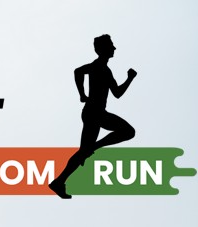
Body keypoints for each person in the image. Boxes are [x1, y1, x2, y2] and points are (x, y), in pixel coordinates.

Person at [51, 34, 138, 199]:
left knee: (83, 152)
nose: (114, 48)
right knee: (128, 132)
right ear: (103, 49)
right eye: (111, 45)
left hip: (96, 112)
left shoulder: (105, 69)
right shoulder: (97, 66)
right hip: (94, 112)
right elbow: (78, 71)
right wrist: (82, 94)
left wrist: (129, 79)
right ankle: (93, 148)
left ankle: (59, 181)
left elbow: (117, 93)